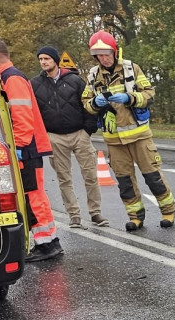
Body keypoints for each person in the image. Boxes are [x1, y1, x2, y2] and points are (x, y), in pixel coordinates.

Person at [81, 31, 175, 231]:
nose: (103, 58)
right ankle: (135, 217)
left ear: (114, 52)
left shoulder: (131, 69)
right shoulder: (92, 75)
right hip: (114, 140)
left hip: (139, 136)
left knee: (153, 177)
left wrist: (130, 98)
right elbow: (86, 104)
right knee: (125, 182)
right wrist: (95, 103)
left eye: (106, 54)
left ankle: (168, 211)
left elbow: (149, 94)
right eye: (99, 55)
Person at [0, 38, 61, 261]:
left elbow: (22, 117)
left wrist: (18, 147)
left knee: (32, 197)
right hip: (27, 147)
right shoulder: (10, 76)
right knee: (34, 195)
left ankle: (46, 245)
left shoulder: (11, 78)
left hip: (26, 148)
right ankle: (48, 241)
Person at [31, 46, 108, 229]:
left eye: (47, 59)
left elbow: (88, 104)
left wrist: (87, 130)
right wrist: (44, 135)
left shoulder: (74, 80)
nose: (43, 62)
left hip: (79, 134)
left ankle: (95, 212)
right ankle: (74, 215)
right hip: (54, 137)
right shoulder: (34, 84)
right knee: (64, 178)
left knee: (90, 175)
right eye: (41, 59)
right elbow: (34, 112)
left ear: (55, 60)